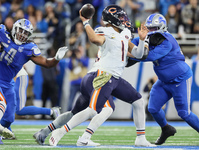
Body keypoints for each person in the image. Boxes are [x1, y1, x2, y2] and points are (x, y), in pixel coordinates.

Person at [34, 4, 154, 147]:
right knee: (98, 109)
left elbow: (138, 54)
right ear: (112, 19)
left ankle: (140, 138)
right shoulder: (105, 31)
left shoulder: (124, 35)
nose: (124, 20)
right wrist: (85, 22)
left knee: (138, 101)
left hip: (112, 78)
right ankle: (65, 134)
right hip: (102, 76)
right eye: (121, 17)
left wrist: (142, 40)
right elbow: (94, 39)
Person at [130, 13, 199, 145]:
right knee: (153, 108)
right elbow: (133, 43)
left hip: (180, 79)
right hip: (163, 81)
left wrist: (129, 54)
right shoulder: (152, 38)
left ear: (161, 27)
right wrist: (125, 43)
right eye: (148, 28)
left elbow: (148, 56)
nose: (149, 32)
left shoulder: (167, 40)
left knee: (184, 113)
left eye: (152, 28)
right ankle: (166, 129)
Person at [0, 18, 68, 141]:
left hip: (8, 82)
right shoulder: (2, 33)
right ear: (15, 28)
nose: (22, 34)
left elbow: (46, 63)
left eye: (25, 33)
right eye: (20, 30)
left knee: (10, 117)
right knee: (2, 104)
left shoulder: (29, 48)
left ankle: (2, 132)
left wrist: (56, 59)